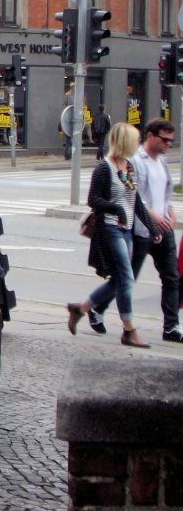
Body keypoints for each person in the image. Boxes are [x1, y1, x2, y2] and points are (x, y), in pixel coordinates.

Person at [87, 119, 181, 342]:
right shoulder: (129, 162)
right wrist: (148, 219)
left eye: (171, 140)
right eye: (164, 139)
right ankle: (97, 309)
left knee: (171, 278)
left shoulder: (157, 163)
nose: (168, 144)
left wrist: (168, 212)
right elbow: (118, 198)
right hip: (130, 229)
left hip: (157, 227)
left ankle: (170, 327)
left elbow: (154, 195)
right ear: (151, 136)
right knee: (126, 279)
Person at [68, 122, 158, 348]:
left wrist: (152, 228)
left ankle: (81, 309)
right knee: (126, 278)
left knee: (119, 279)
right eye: (135, 140)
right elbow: (93, 200)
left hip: (126, 230)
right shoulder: (104, 168)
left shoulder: (127, 167)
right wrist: (116, 209)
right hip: (110, 229)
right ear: (125, 142)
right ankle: (129, 330)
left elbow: (135, 201)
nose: (137, 144)